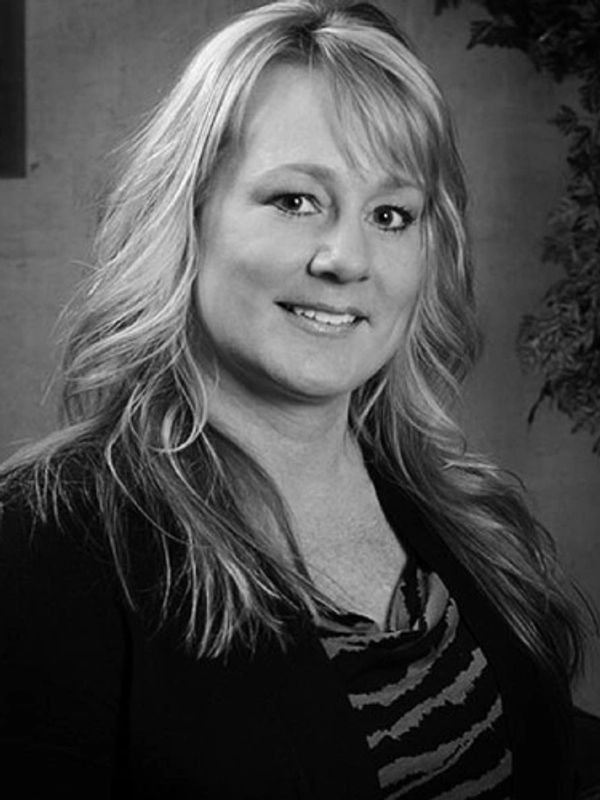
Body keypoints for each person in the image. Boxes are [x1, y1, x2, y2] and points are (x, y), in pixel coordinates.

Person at [0, 1, 591, 798]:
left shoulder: (451, 498)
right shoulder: (42, 541)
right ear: (187, 213)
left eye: (391, 214)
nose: (347, 258)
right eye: (294, 200)